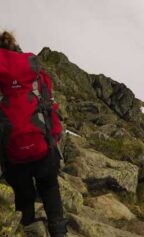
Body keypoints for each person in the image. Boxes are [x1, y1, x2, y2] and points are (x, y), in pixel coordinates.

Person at [0, 31, 67, 237]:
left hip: (12, 152)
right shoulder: (33, 68)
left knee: (23, 194)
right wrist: (55, 137)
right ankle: (58, 231)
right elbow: (48, 104)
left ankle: (28, 228)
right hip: (42, 144)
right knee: (49, 187)